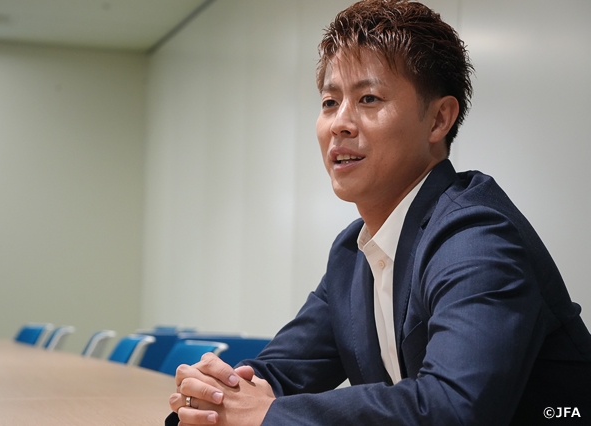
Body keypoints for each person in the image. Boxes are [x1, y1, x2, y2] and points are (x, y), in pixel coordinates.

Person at [166, 0, 591, 424]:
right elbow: (280, 373)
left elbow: (453, 408)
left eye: (368, 98)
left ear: (438, 119)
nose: (340, 123)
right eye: (329, 102)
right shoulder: (353, 252)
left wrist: (267, 414)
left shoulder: (475, 238)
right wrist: (213, 397)